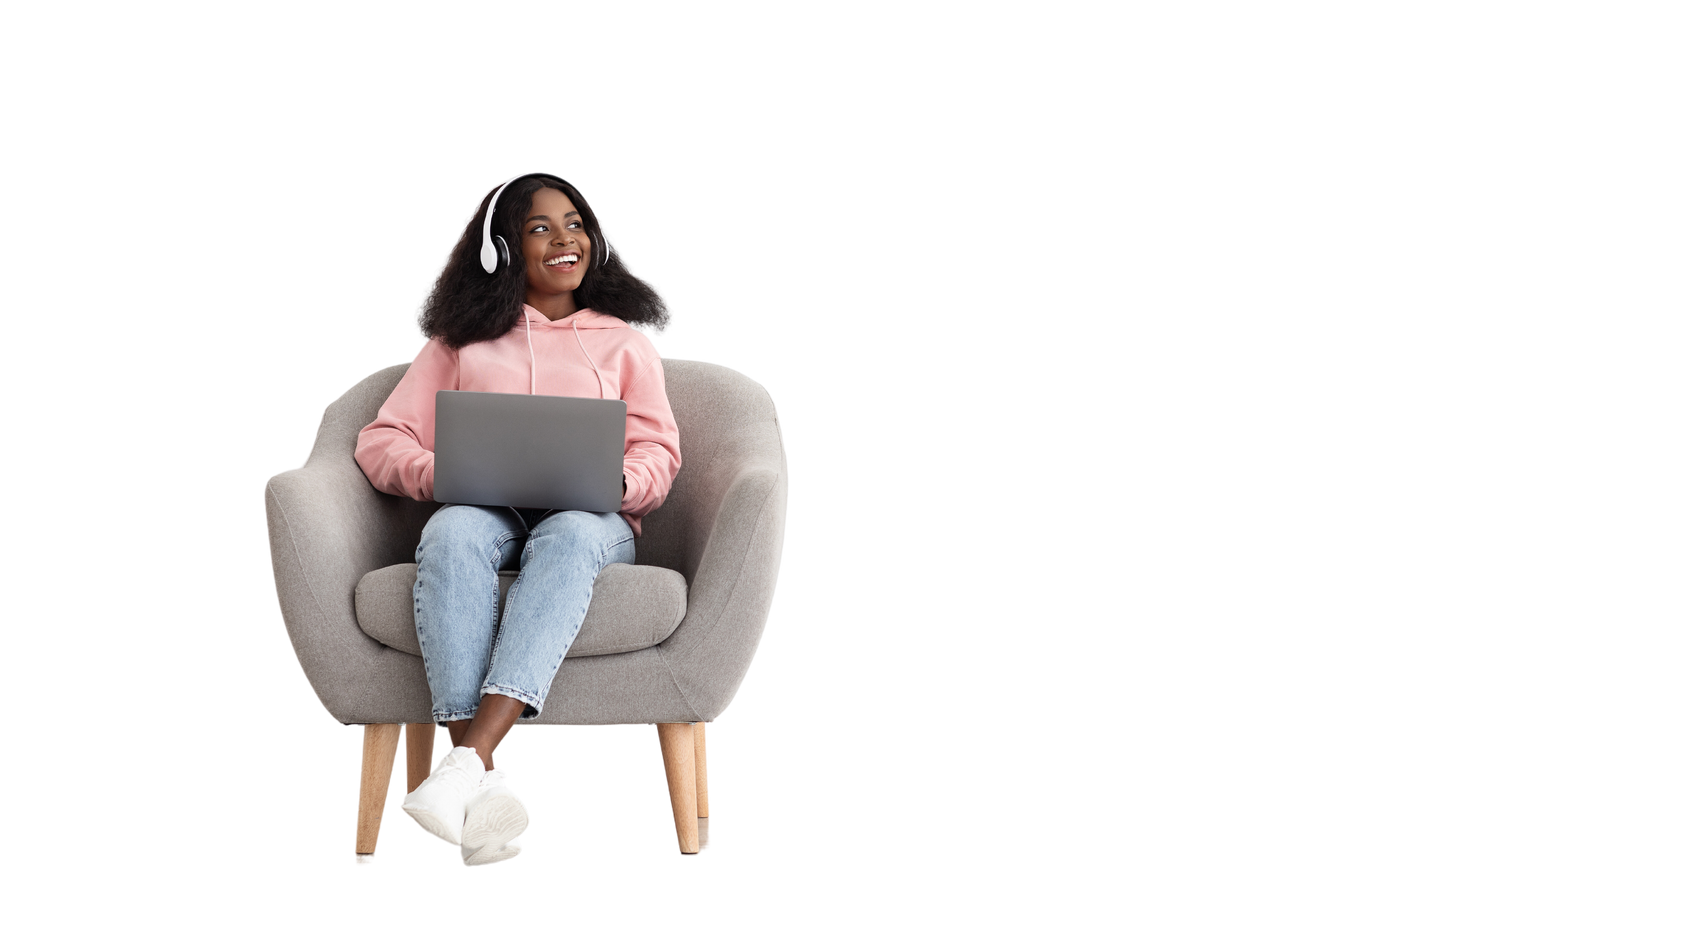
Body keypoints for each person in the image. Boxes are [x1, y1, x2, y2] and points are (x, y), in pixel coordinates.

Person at [354, 173, 681, 866]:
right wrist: (443, 473)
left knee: (565, 535)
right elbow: (381, 443)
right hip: (483, 505)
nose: (565, 239)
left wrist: (619, 479)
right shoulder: (459, 345)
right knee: (449, 530)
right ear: (501, 249)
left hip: (591, 516)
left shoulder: (623, 343)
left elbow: (659, 451)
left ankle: (460, 764)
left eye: (575, 224)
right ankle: (482, 806)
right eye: (540, 228)